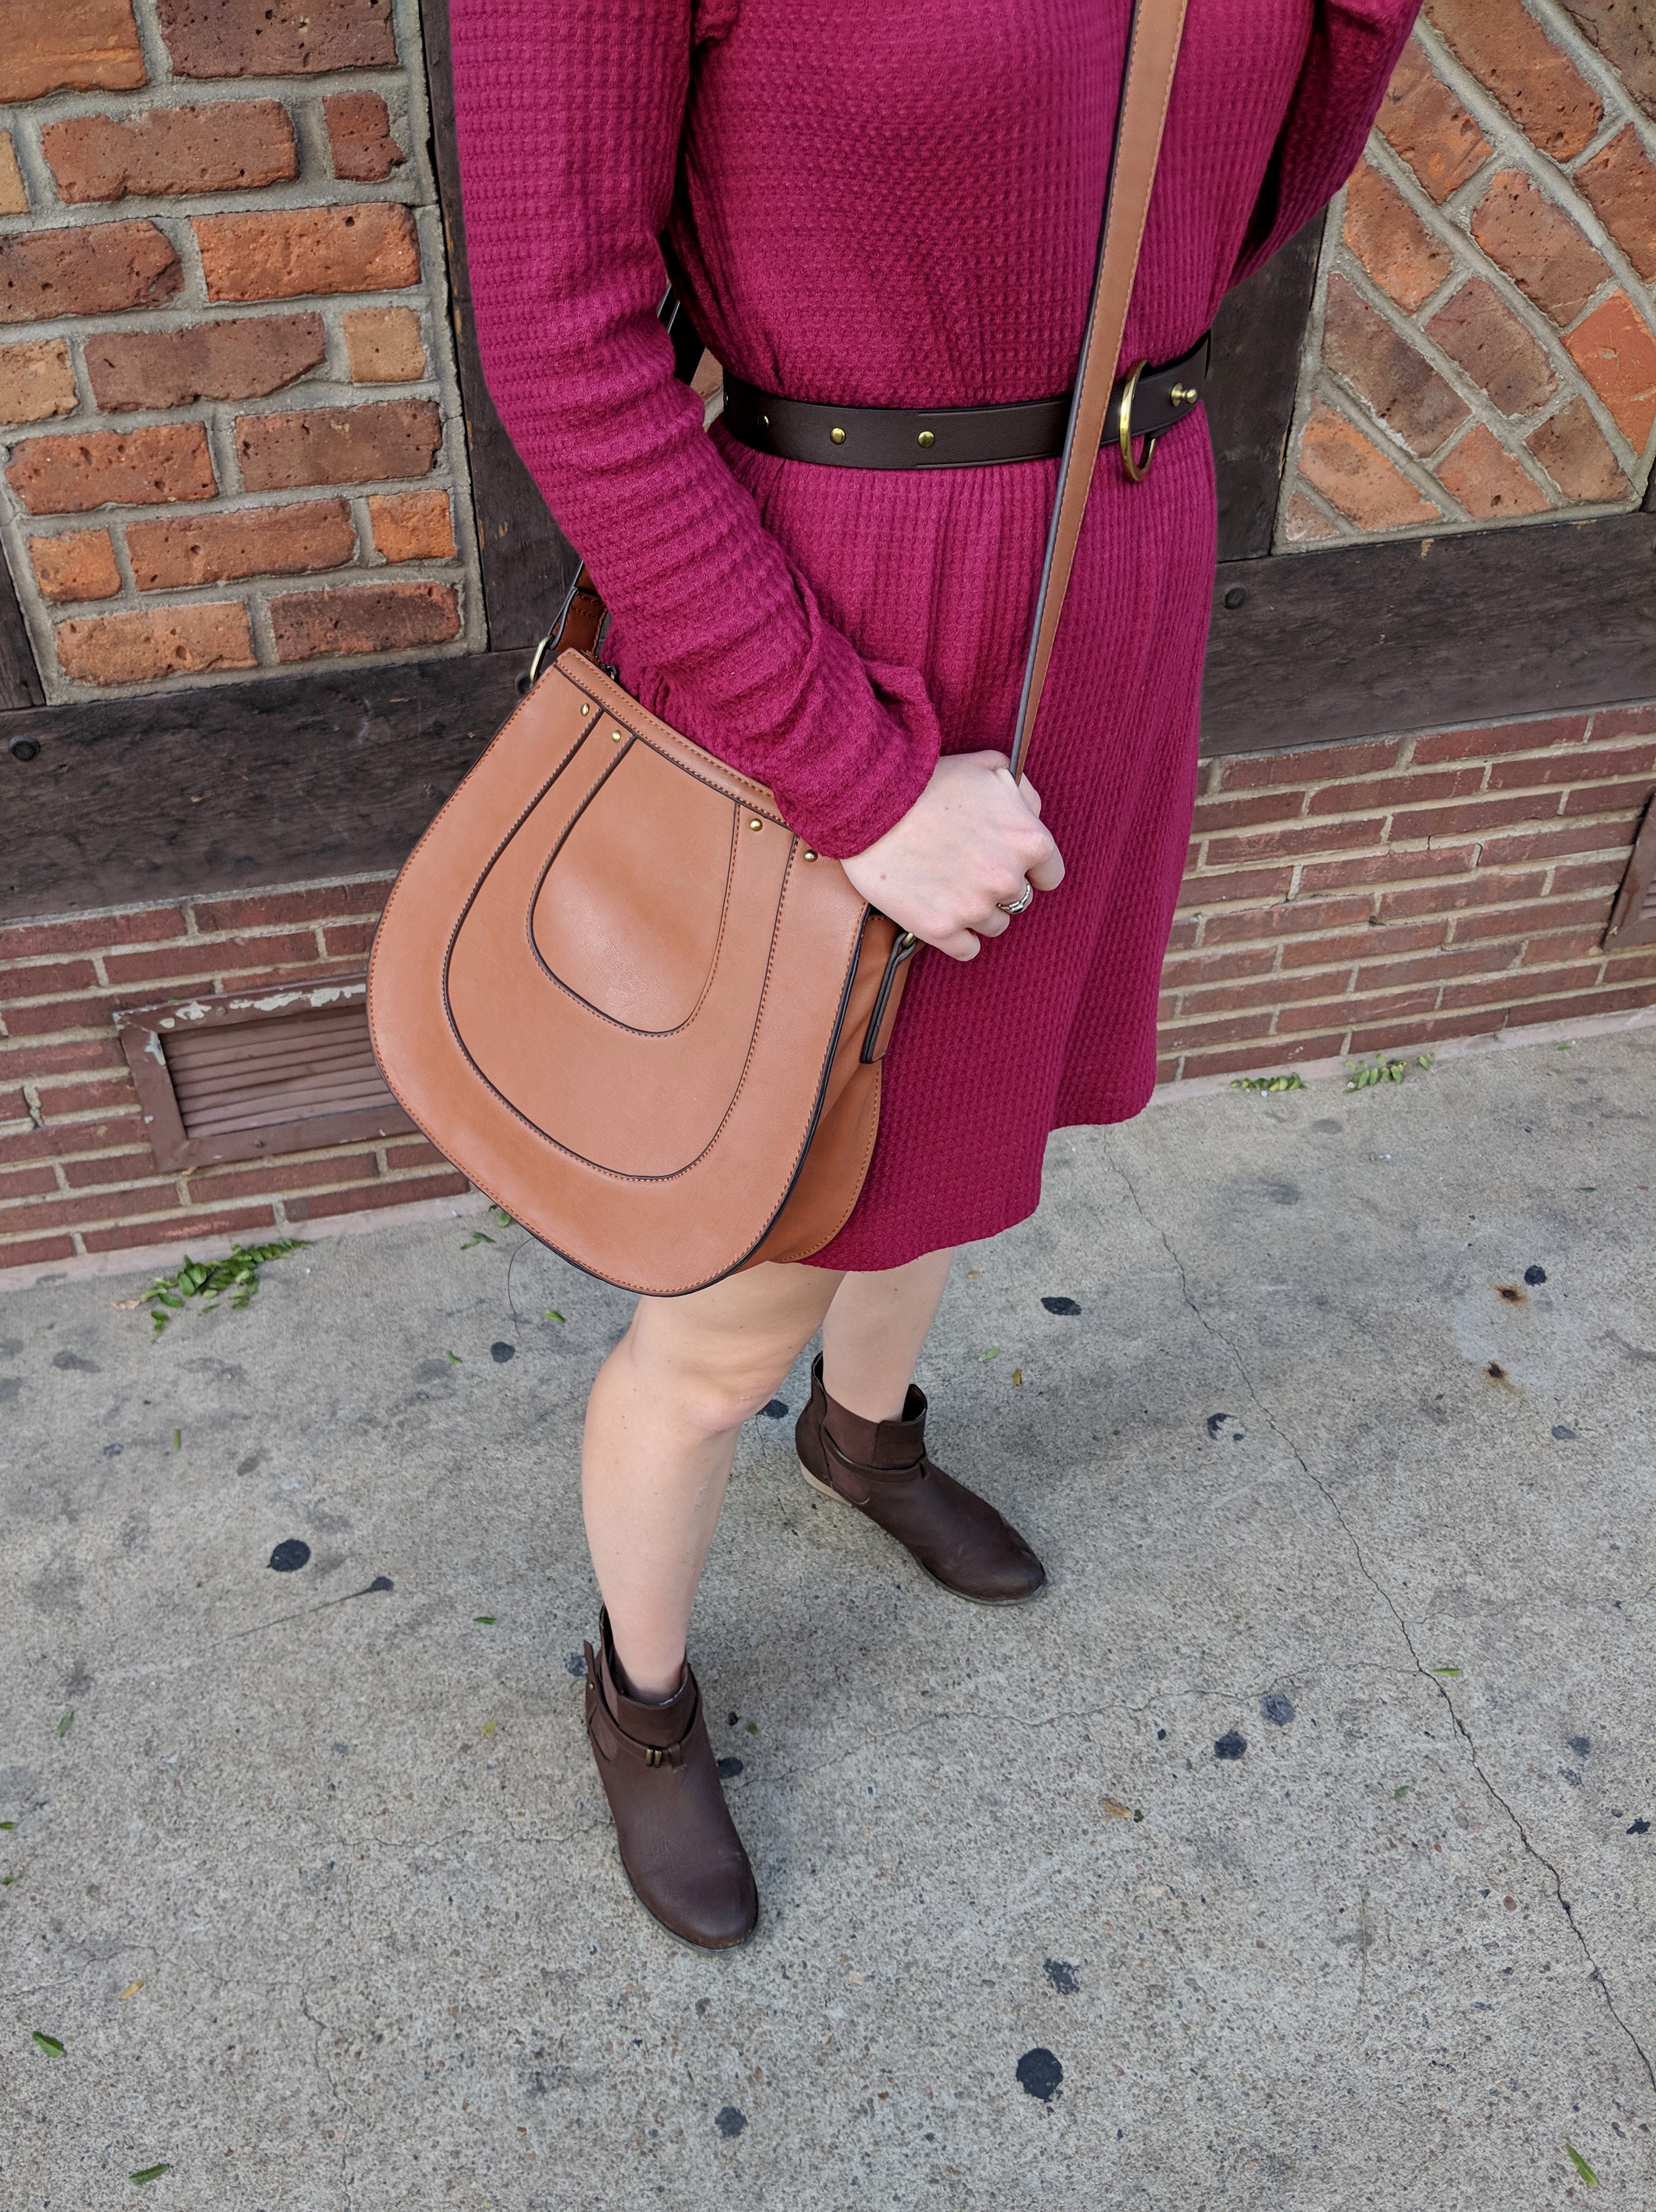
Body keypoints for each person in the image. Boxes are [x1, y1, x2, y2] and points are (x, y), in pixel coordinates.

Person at [448, 0, 1421, 1948]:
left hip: (1107, 576)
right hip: (824, 644)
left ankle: (867, 1428)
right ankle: (639, 1691)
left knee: (972, 1119)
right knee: (736, 1289)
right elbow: (568, 348)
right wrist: (859, 778)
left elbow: (1220, 207)